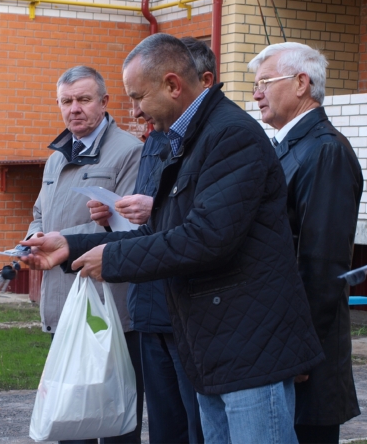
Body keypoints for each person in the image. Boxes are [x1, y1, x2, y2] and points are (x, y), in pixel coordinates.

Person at [21, 33, 325, 444]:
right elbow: (162, 230)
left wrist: (111, 263)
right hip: (216, 344)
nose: (134, 110)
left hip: (251, 349)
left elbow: (206, 238)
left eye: (138, 97)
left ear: (172, 85)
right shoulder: (191, 136)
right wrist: (72, 246)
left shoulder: (228, 135)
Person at [87, 36, 214, 444]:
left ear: (181, 83)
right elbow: (150, 226)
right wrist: (112, 223)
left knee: (198, 427)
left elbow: (196, 228)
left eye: (141, 95)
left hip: (187, 310)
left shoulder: (219, 139)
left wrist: (151, 208)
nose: (136, 110)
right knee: (163, 428)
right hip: (149, 305)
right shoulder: (157, 141)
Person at [248, 42, 362, 444]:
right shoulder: (289, 146)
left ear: (301, 83)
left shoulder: (325, 150)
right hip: (281, 341)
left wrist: (301, 347)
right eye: (255, 83)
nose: (256, 93)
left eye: (265, 82)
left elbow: (323, 265)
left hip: (303, 352)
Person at [26, 65, 143, 444]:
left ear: (105, 102)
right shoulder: (57, 156)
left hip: (111, 309)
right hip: (65, 304)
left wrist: (59, 243)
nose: (74, 108)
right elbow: (40, 213)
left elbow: (130, 230)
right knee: (70, 419)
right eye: (66, 101)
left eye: (83, 99)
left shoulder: (129, 152)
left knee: (114, 420)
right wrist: (32, 239)